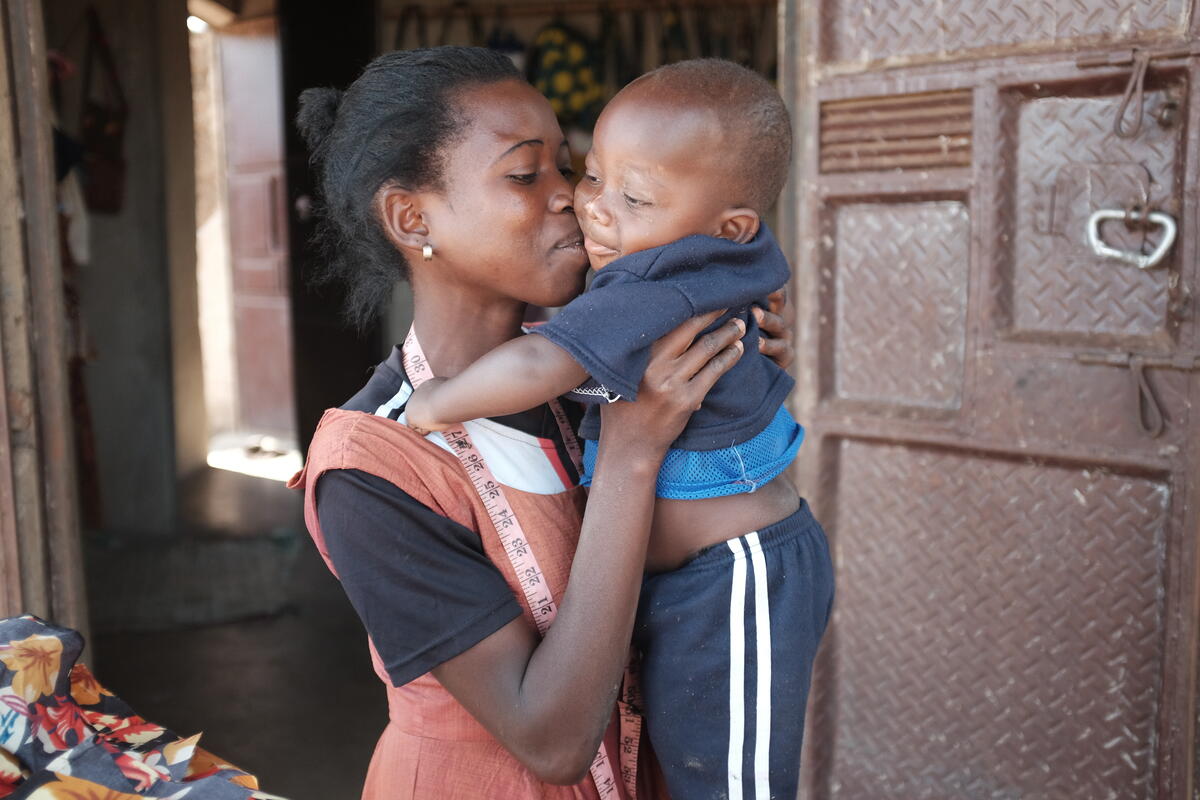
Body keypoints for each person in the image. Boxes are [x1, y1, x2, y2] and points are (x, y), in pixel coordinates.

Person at [286, 48, 795, 799]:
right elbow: (553, 741)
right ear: (412, 217)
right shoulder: (374, 465)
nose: (573, 199)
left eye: (568, 167)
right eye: (526, 175)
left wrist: (741, 368)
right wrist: (630, 453)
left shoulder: (603, 370)